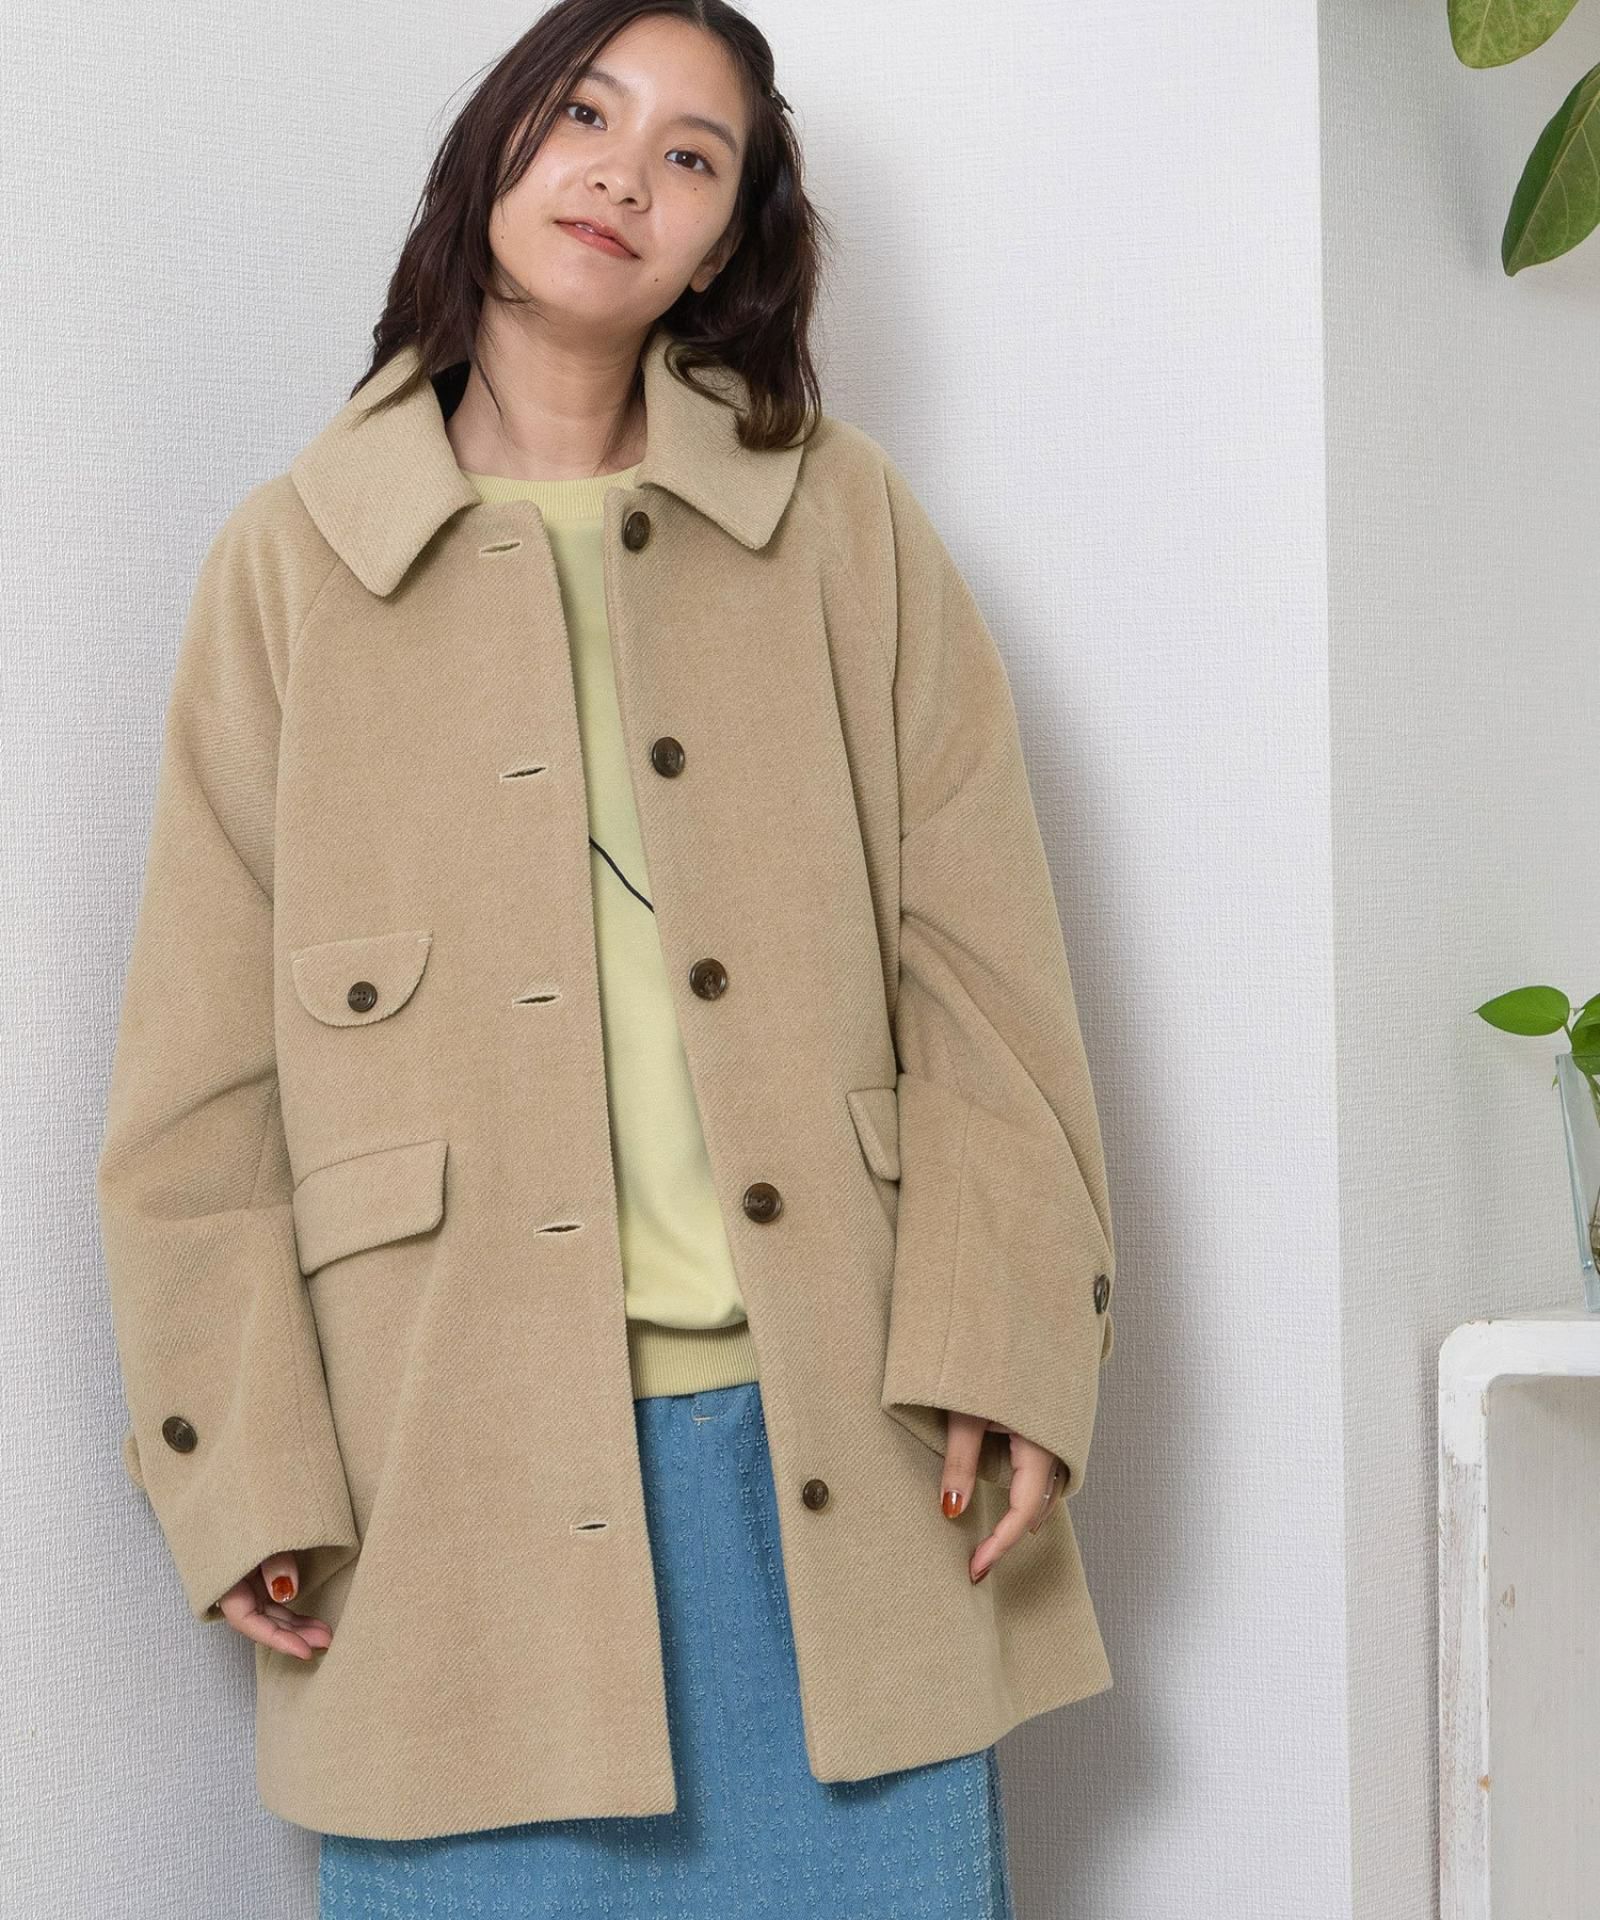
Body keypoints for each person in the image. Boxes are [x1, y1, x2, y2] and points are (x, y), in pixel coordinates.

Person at [97, 1, 1119, 1913]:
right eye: (586, 112)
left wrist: (1008, 1342)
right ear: (497, 142)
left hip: (841, 1467)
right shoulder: (293, 567)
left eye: (691, 155)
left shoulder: (841, 526)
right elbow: (197, 1088)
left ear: (725, 245)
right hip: (443, 1497)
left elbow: (985, 976)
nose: (624, 175)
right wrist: (232, 1467)